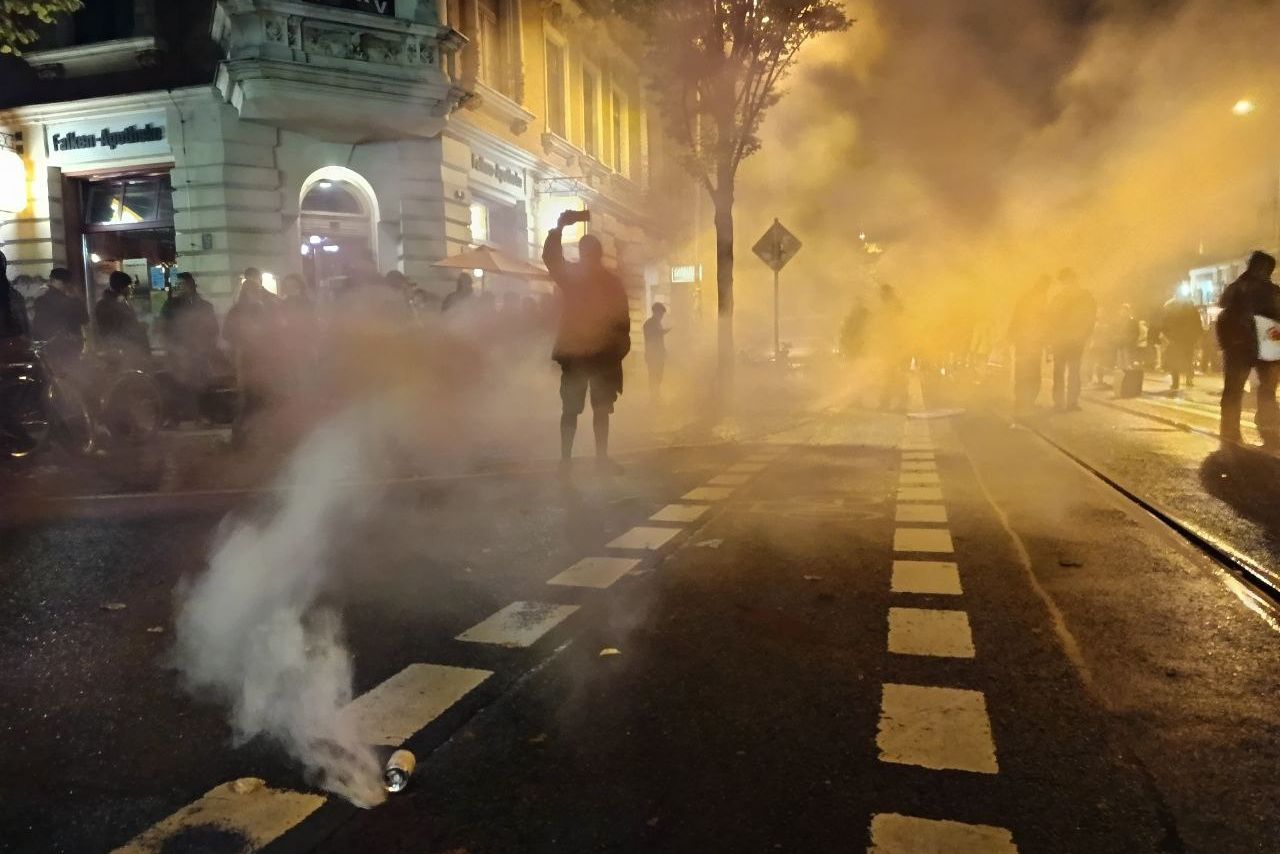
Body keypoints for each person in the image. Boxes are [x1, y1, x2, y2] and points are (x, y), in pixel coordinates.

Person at [543, 211, 631, 472]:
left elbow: (551, 259)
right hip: (595, 356)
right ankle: (592, 459)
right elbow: (623, 322)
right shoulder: (609, 282)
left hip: (583, 355)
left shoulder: (575, 278)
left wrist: (559, 228)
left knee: (578, 410)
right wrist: (618, 351)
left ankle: (569, 461)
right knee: (593, 410)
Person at [1216, 250, 1280, 447]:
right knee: (1267, 390)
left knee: (1234, 390)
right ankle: (1269, 431)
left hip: (1239, 345)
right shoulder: (1272, 291)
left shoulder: (1236, 288)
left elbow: (1223, 306)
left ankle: (1230, 431)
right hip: (1265, 344)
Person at [223, 268, 281, 448]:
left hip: (262, 359)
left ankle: (257, 437)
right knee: (250, 399)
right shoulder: (239, 311)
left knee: (260, 398)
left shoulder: (263, 308)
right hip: (248, 358)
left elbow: (274, 332)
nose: (255, 295)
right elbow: (228, 333)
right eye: (252, 292)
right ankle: (242, 438)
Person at [158, 273, 220, 423]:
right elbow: (162, 327)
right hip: (176, 352)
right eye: (177, 285)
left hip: (198, 352)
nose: (178, 288)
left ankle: (201, 414)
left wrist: (206, 346)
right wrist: (171, 346)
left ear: (190, 285)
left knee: (200, 384)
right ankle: (174, 416)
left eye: (181, 285)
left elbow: (213, 329)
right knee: (175, 384)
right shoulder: (170, 305)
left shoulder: (204, 306)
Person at [1047, 268, 1097, 412]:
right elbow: (1091, 318)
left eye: (1065, 280)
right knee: (1069, 371)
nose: (1065, 284)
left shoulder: (1063, 298)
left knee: (1065, 371)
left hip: (1068, 340)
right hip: (1069, 340)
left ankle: (1063, 402)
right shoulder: (1084, 297)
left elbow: (1051, 318)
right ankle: (1069, 402)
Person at [1009, 276, 1050, 413]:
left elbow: (1015, 319)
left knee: (1022, 371)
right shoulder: (1040, 299)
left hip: (1023, 342)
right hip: (1033, 343)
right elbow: (1043, 322)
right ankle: (1029, 402)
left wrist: (1013, 337)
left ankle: (1020, 401)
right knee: (1033, 373)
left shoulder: (1025, 298)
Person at [31, 267, 87, 363]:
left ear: (52, 280)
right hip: (69, 346)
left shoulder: (40, 301)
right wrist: (78, 298)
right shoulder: (72, 301)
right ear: (63, 282)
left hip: (48, 347)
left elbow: (37, 326)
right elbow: (84, 319)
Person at [94, 271, 150, 359]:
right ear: (121, 288)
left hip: (126, 349)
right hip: (120, 351)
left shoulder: (117, 303)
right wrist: (138, 328)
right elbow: (114, 329)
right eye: (128, 286)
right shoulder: (109, 305)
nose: (130, 289)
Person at [1159, 297, 1203, 393]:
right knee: (1188, 359)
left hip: (1175, 339)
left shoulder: (1171, 309)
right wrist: (1197, 338)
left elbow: (1165, 324)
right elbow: (1198, 325)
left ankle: (1175, 382)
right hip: (1189, 340)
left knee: (1174, 360)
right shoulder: (1193, 310)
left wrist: (1167, 336)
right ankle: (1189, 379)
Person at [643, 302, 669, 398]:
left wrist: (663, 351)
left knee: (658, 376)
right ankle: (654, 397)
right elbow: (652, 337)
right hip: (652, 355)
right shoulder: (648, 324)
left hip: (658, 355)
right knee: (654, 376)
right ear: (656, 312)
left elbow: (659, 340)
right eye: (661, 313)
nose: (662, 316)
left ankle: (656, 396)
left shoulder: (657, 323)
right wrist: (664, 331)